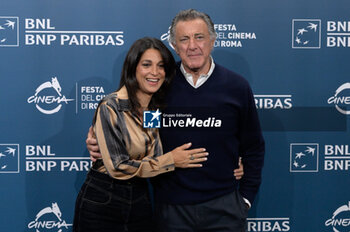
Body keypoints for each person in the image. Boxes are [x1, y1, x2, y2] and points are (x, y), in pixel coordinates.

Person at [88, 9, 264, 232]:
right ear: (174, 45)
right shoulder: (160, 86)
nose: (192, 46)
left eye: (199, 37)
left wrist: (245, 199)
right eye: (184, 39)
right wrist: (99, 138)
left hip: (225, 207)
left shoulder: (237, 87)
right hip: (170, 210)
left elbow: (253, 146)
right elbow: (143, 132)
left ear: (212, 40)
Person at [73, 37, 210, 232]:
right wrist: (171, 159)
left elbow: (152, 156)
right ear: (133, 68)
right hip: (104, 199)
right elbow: (118, 167)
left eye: (161, 66)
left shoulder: (152, 110)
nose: (155, 72)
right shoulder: (111, 106)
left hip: (140, 198)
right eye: (147, 64)